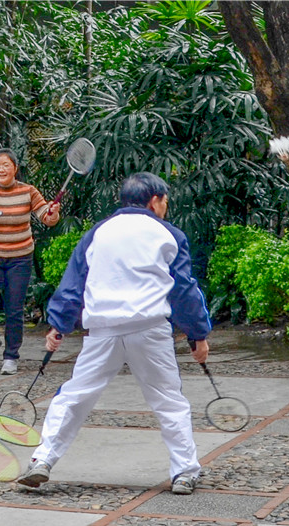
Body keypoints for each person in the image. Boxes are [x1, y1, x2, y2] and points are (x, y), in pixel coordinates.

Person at [16, 172, 211, 496]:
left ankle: (42, 459)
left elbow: (74, 284)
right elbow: (183, 290)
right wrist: (197, 334)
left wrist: (59, 326)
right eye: (164, 201)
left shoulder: (97, 233)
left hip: (102, 330)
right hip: (149, 329)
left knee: (75, 396)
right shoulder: (169, 234)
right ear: (154, 201)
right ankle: (185, 472)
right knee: (168, 400)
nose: (166, 206)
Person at [0, 149, 60, 374]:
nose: (0, 169)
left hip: (20, 258)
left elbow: (47, 218)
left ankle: (11, 356)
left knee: (14, 309)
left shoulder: (28, 191)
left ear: (15, 168)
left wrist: (52, 213)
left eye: (5, 165)